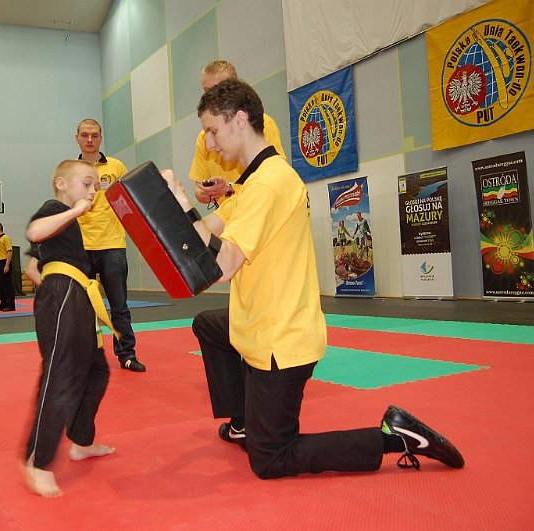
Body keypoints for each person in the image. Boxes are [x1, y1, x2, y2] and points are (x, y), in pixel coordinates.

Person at [161, 78, 464, 479]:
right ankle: (245, 422)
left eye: (212, 131)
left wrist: (183, 204)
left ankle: (398, 438)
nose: (210, 144)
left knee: (271, 459)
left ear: (239, 120)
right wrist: (173, 207)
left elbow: (223, 265)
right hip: (259, 322)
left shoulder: (270, 184)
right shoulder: (251, 184)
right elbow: (206, 230)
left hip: (281, 341)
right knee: (209, 324)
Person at [23, 159, 116, 497]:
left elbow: (32, 267)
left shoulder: (65, 225)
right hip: (63, 295)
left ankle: (80, 441)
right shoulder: (56, 209)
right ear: (62, 184)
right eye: (87, 184)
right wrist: (56, 286)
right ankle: (38, 461)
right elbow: (34, 232)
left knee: (96, 371)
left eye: (96, 186)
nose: (93, 191)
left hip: (77, 296)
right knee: (61, 375)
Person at [74, 118, 145, 372]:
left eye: (94, 135)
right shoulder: (70, 170)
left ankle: (126, 354)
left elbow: (129, 200)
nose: (89, 139)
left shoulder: (116, 166)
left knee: (119, 306)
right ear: (77, 138)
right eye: (85, 135)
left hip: (113, 245)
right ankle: (85, 358)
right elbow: (64, 206)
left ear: (100, 138)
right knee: (82, 308)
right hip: (81, 246)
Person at [190, 60, 285, 207]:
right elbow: (199, 190)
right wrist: (204, 192)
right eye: (206, 92)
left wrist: (229, 188)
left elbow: (275, 178)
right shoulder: (203, 139)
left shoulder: (266, 125)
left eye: (215, 132)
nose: (210, 145)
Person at [0, 222, 17, 312]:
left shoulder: (6, 238)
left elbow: (9, 252)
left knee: (7, 285)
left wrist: (7, 265)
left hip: (4, 262)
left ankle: (10, 305)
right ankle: (3, 304)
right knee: (0, 286)